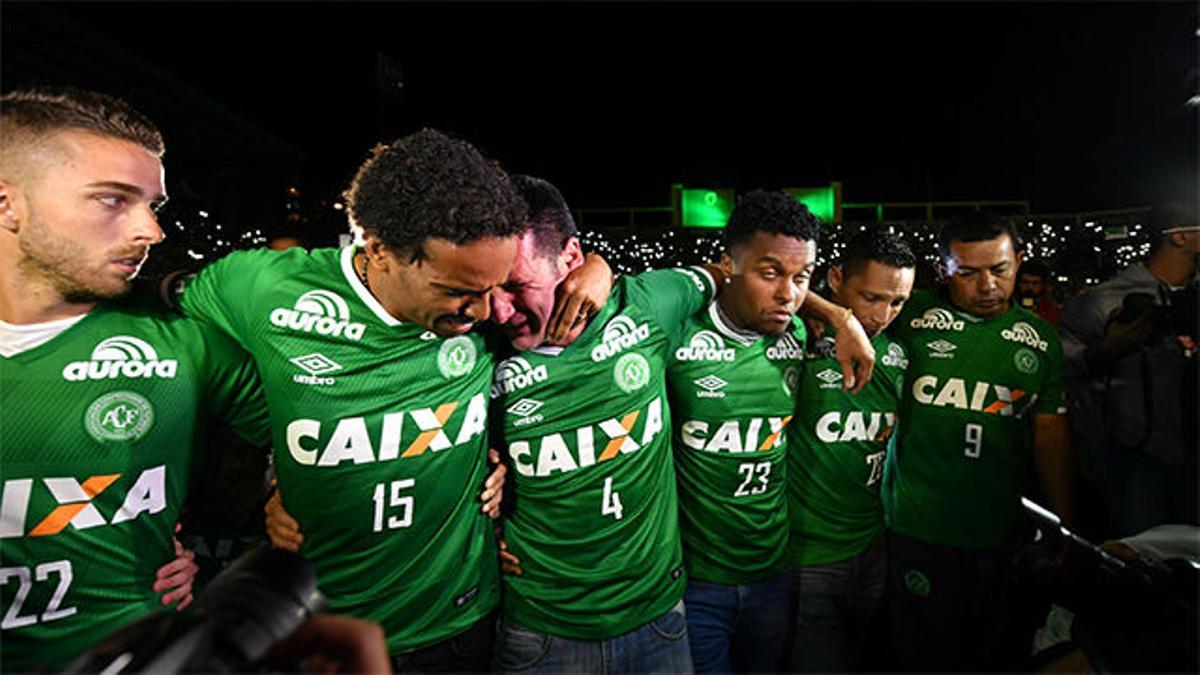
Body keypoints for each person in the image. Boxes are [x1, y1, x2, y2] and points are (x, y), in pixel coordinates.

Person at [175, 135, 605, 670]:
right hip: (318, 626)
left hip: (459, 622)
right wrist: (273, 468)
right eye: (458, 290)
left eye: (496, 287)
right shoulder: (263, 289)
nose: (487, 311)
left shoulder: (487, 317)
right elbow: (173, 321)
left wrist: (597, 267)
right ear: (377, 250)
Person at [0, 87, 269, 670]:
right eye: (113, 200)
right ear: (6, 204)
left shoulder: (185, 343)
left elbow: (317, 435)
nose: (152, 230)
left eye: (153, 205)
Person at [883, 211, 1072, 670]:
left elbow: (1050, 433)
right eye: (967, 272)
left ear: (1020, 260)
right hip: (915, 527)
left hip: (1000, 532)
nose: (986, 285)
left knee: (992, 652)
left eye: (1000, 269)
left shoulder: (1042, 340)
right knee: (921, 654)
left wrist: (1064, 525)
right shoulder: (909, 314)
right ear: (944, 267)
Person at [664, 189, 819, 672]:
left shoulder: (796, 333)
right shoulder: (678, 333)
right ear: (727, 264)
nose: (788, 294)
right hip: (695, 578)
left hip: (774, 570)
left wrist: (840, 315)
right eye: (770, 273)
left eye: (802, 278)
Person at [788, 229, 915, 671]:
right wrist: (837, 317)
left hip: (874, 543)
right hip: (811, 555)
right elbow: (744, 283)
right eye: (872, 297)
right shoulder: (796, 337)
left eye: (897, 302)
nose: (883, 315)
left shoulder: (898, 353)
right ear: (837, 278)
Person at [1058, 201, 1199, 538]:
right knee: (1143, 558)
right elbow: (1056, 369)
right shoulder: (1106, 301)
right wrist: (1105, 351)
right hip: (1134, 460)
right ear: (1178, 236)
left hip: (1193, 457)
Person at [1016, 258, 1062, 326]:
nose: (1029, 287)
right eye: (1025, 282)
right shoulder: (1006, 307)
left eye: (1035, 283)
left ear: (1043, 285)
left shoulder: (1051, 311)